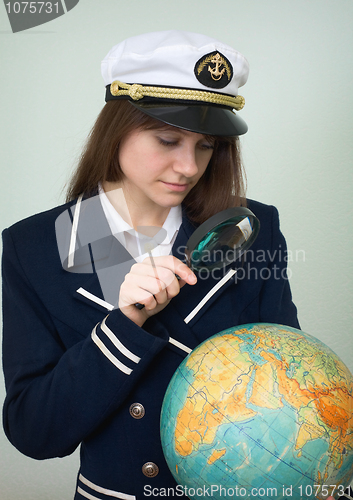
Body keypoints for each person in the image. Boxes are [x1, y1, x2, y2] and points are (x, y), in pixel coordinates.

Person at [3, 30, 328, 500]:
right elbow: (34, 432)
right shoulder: (33, 247)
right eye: (167, 139)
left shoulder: (251, 228)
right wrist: (126, 323)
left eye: (205, 146)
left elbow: (290, 382)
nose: (189, 167)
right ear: (115, 129)